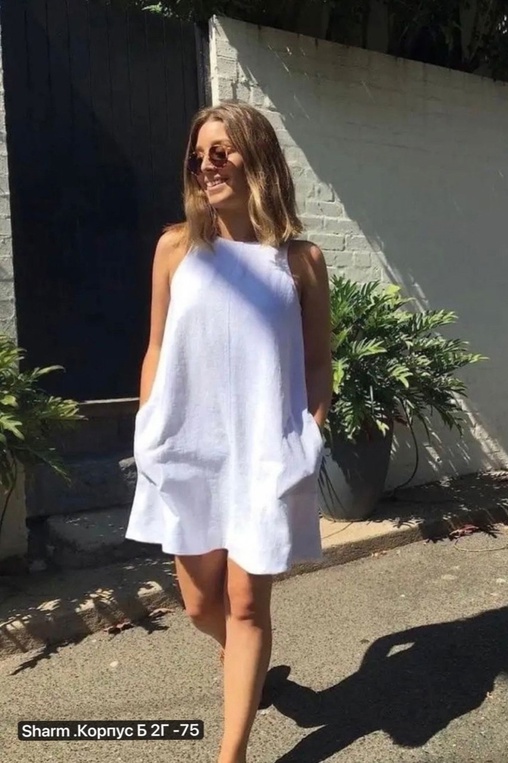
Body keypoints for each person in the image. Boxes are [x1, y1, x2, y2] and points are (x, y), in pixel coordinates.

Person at [125, 101, 333, 763]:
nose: (206, 165)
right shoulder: (176, 248)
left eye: (221, 151)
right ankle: (249, 662)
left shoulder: (301, 261)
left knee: (246, 604)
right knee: (198, 606)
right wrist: (148, 425)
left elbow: (317, 363)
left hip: (264, 455)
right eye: (199, 155)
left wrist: (309, 434)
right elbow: (158, 347)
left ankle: (232, 750)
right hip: (187, 449)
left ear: (258, 158)